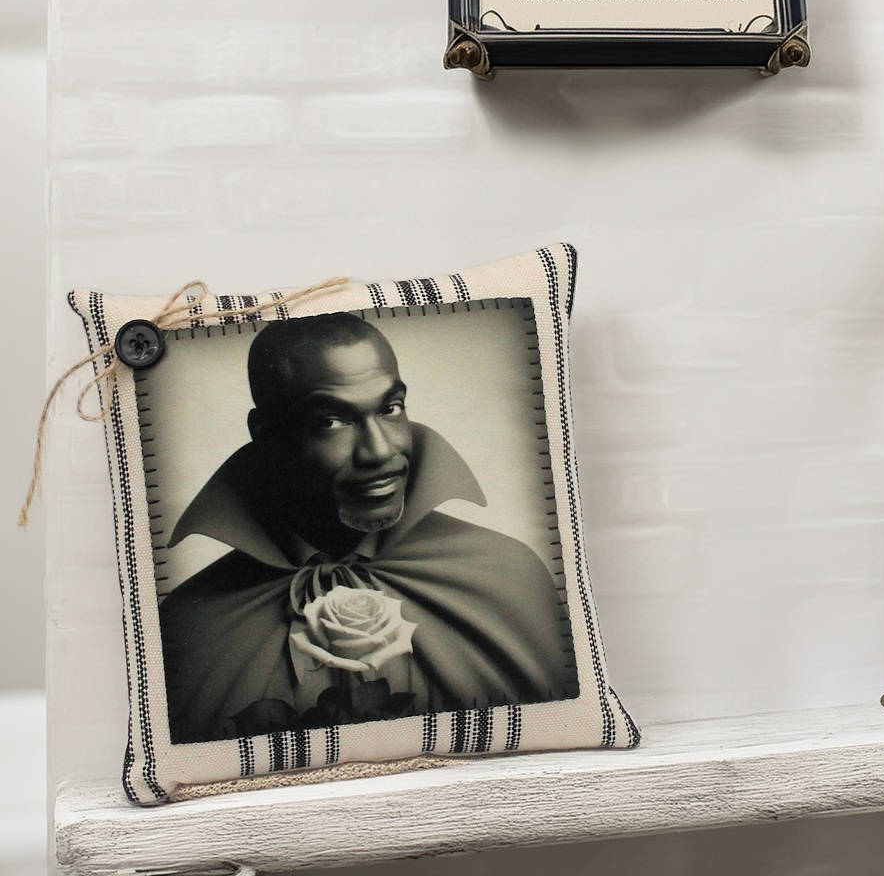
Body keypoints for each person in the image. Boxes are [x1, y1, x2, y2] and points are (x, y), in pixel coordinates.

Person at [158, 312, 575, 744]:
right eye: (331, 421)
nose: (379, 451)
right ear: (265, 435)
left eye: (390, 409)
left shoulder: (508, 576)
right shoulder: (192, 627)